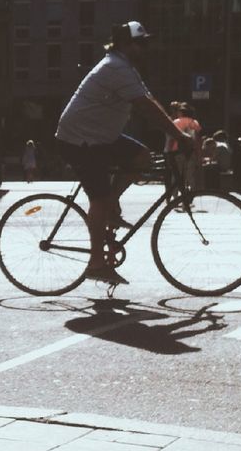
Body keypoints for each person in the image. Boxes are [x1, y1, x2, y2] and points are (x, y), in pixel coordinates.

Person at [54, 21, 190, 284]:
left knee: (142, 157)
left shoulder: (126, 67)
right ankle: (95, 263)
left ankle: (110, 205)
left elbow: (149, 101)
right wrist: (179, 136)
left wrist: (175, 132)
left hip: (100, 137)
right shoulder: (115, 67)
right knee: (99, 199)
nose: (145, 48)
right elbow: (144, 108)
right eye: (140, 43)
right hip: (79, 140)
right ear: (125, 45)